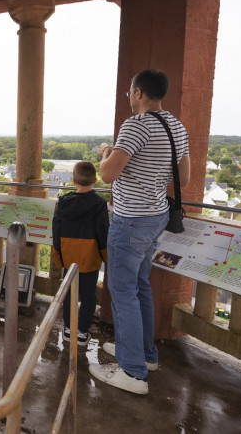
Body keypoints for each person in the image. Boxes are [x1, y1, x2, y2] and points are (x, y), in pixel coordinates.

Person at [89, 69, 190, 395]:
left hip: (130, 220)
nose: (128, 97)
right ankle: (144, 356)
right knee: (139, 286)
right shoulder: (177, 127)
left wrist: (106, 153)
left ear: (139, 93)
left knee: (122, 292)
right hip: (156, 216)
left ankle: (132, 373)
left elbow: (107, 175)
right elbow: (183, 178)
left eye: (130, 92)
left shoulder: (136, 125)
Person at [51, 161, 109, 347]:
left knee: (69, 294)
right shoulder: (99, 204)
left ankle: (68, 329)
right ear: (95, 180)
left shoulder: (62, 202)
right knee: (88, 296)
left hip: (69, 254)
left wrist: (58, 255)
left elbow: (56, 229)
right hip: (90, 256)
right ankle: (82, 332)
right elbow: (103, 232)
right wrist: (106, 256)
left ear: (74, 179)